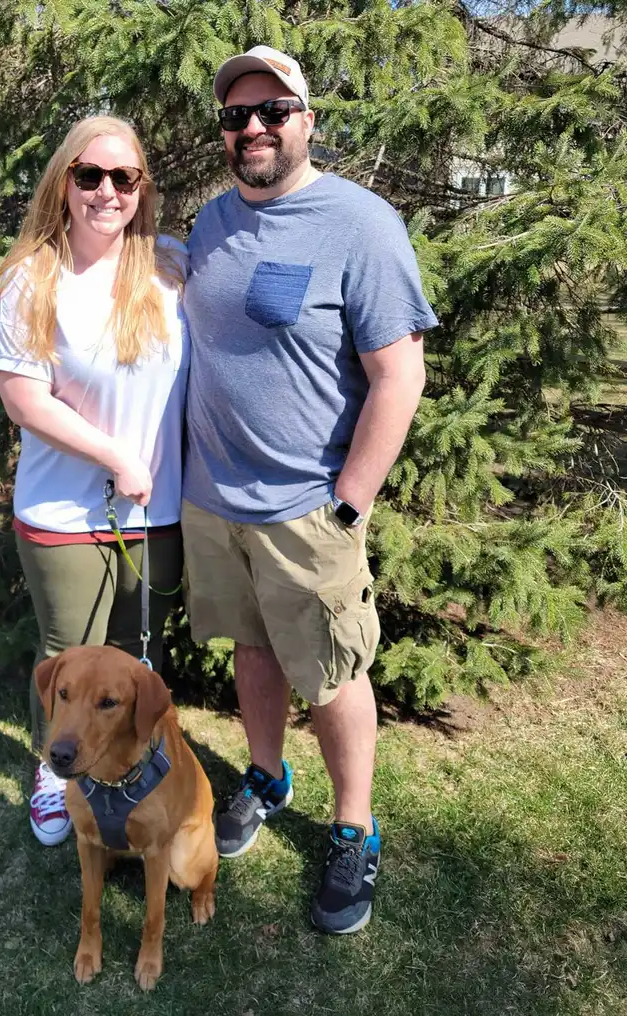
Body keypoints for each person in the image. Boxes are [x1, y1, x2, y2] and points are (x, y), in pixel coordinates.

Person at [180, 46, 438, 933]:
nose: (252, 128)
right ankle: (265, 776)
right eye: (236, 116)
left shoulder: (360, 225)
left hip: (307, 513)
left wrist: (351, 501)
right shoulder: (211, 224)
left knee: (331, 675)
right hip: (213, 504)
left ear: (307, 119)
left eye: (272, 111)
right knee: (253, 652)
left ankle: (353, 829)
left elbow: (399, 373)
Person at [0, 116, 188, 847]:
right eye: (89, 176)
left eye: (124, 178)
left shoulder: (171, 267)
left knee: (140, 657)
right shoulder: (33, 278)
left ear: (143, 187)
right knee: (66, 659)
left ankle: (136, 770)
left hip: (157, 508)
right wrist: (115, 457)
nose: (107, 192)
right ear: (63, 181)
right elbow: (23, 397)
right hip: (63, 510)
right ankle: (54, 772)